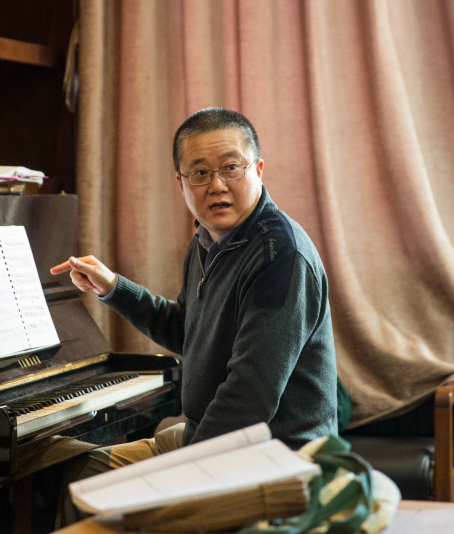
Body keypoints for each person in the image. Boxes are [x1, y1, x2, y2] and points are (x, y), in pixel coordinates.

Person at [51, 107, 337, 525]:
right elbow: (188, 330)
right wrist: (113, 287)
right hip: (217, 440)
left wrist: (183, 472)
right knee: (84, 472)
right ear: (181, 183)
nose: (217, 185)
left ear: (258, 169)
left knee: (131, 513)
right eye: (200, 173)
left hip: (275, 458)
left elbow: (250, 396)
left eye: (231, 168)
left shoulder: (280, 256)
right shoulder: (207, 241)